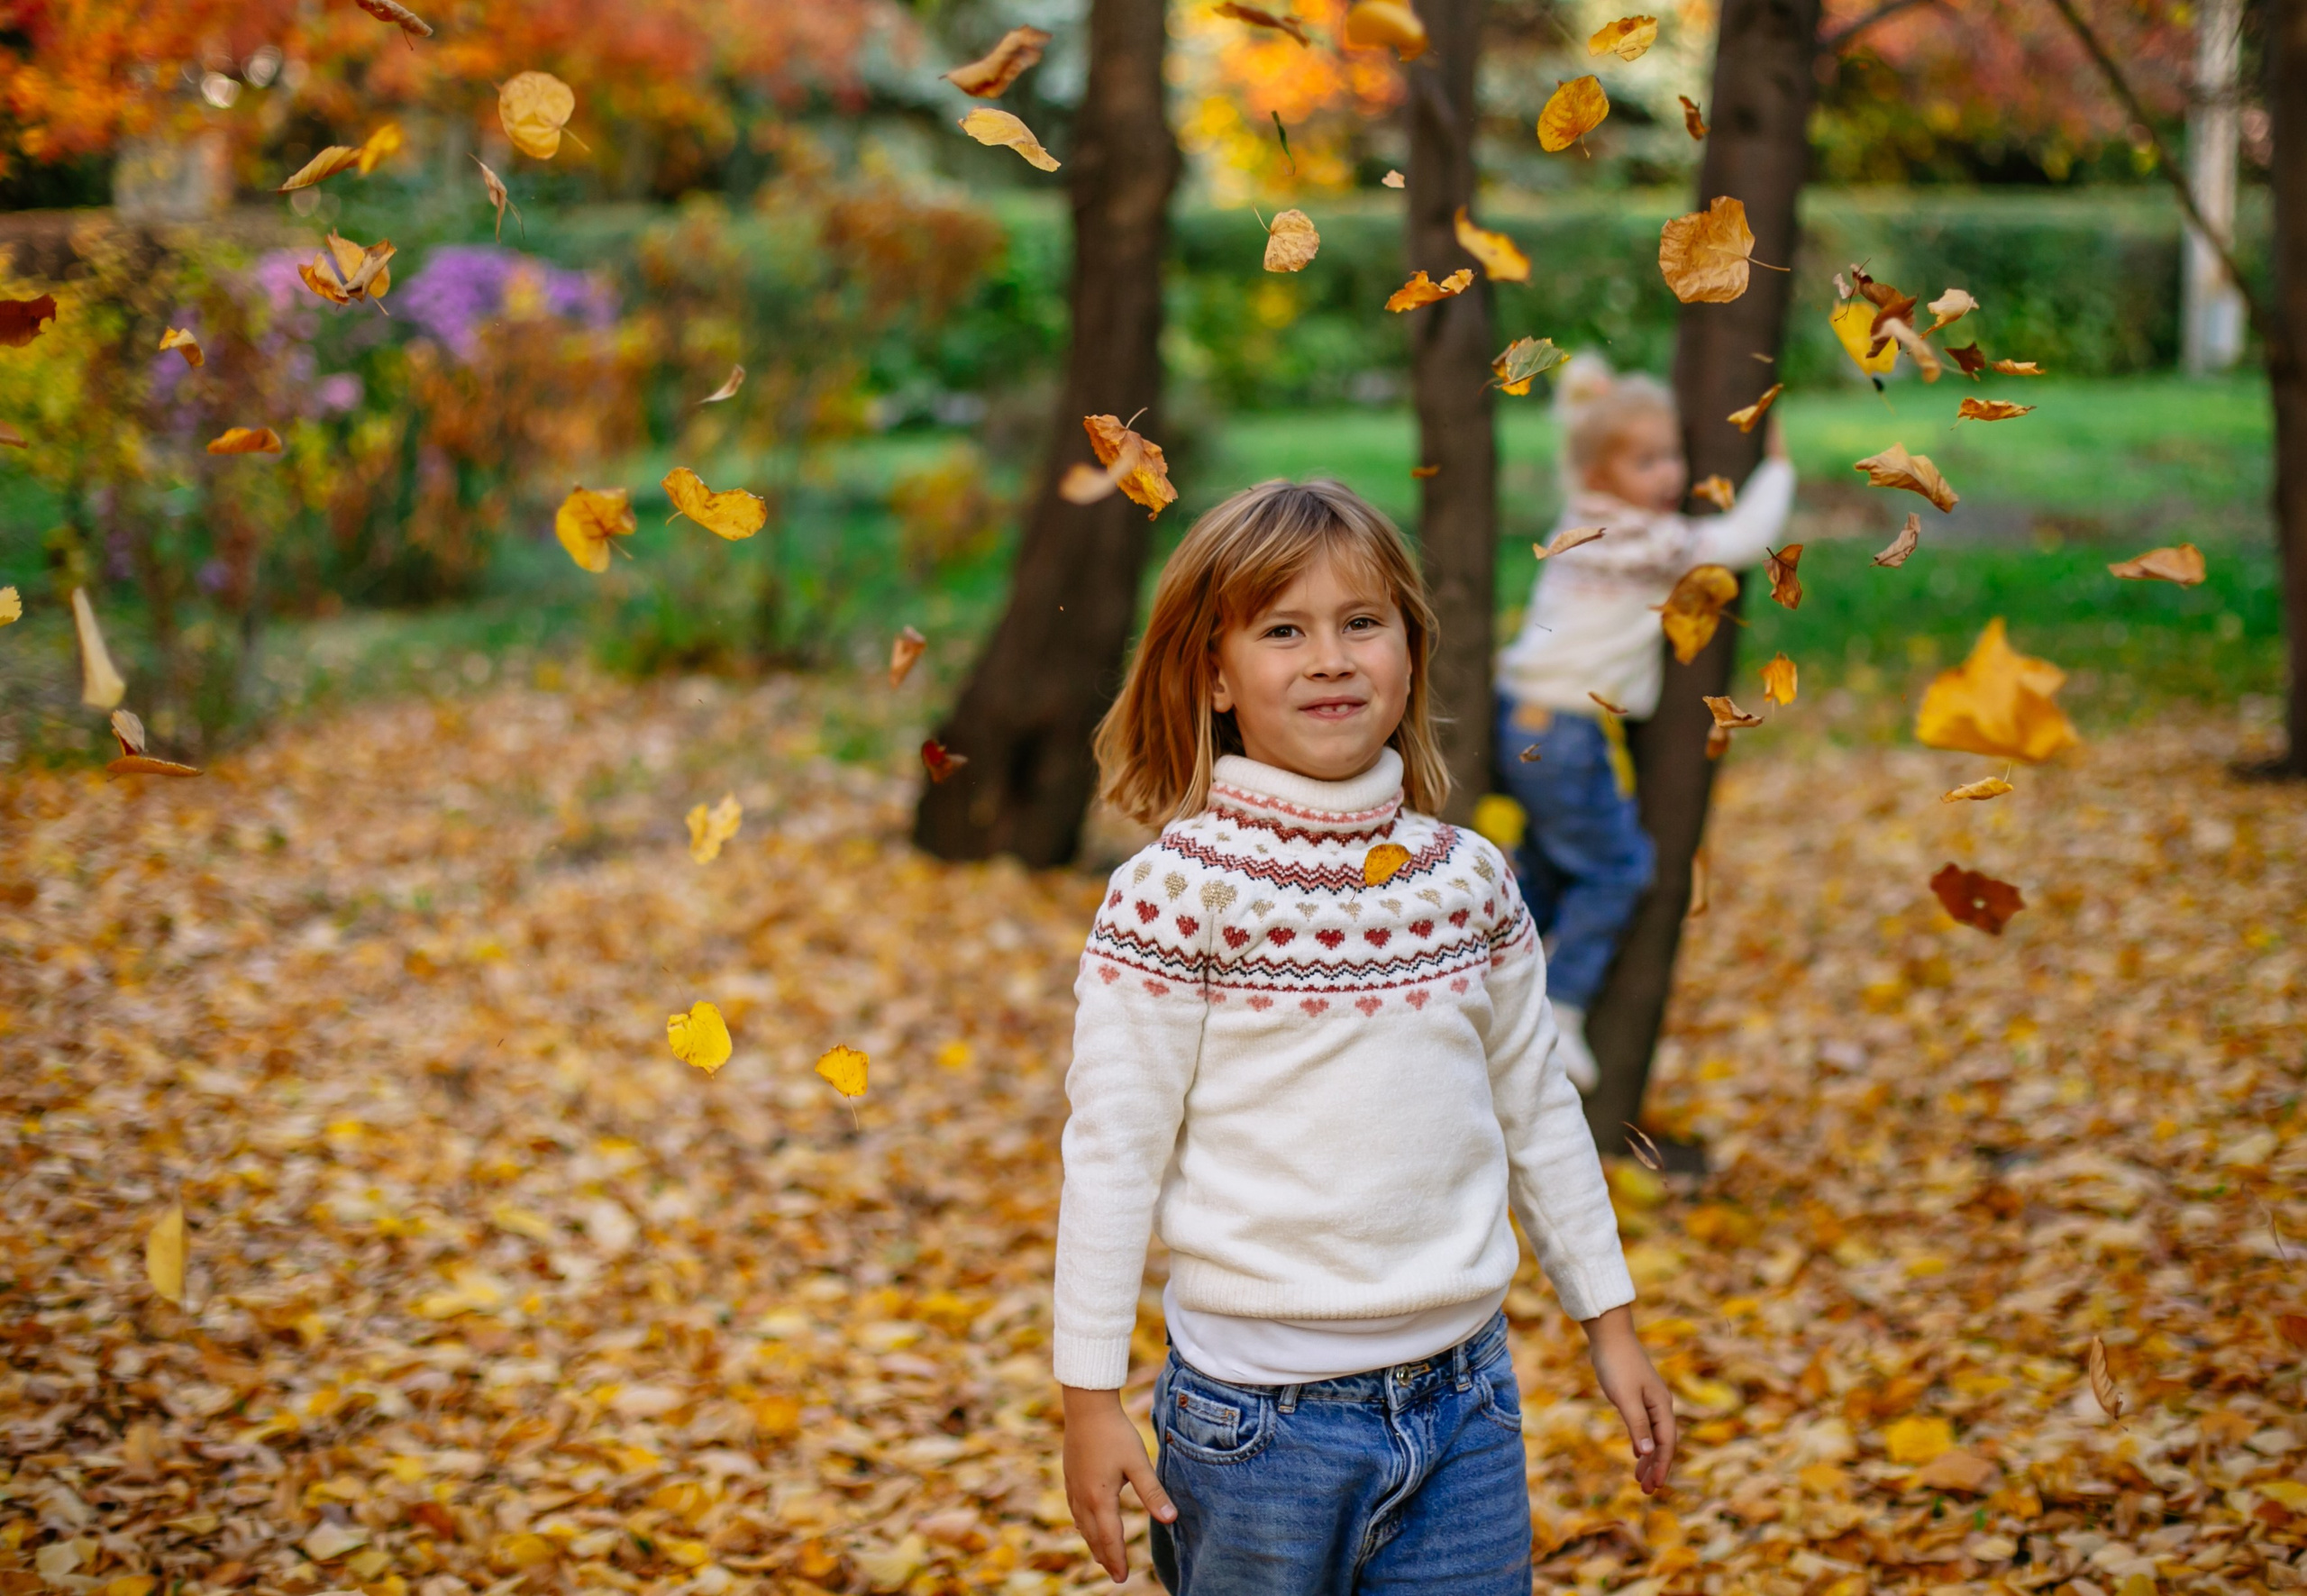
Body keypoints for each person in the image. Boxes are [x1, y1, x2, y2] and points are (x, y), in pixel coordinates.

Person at [1057, 479, 1677, 1594]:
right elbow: (1112, 1157)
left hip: (1467, 1405)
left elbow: (1537, 1110)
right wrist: (1088, 1398)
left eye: (1361, 624)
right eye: (1283, 630)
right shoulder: (1175, 895)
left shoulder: (1468, 878)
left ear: (1408, 649)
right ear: (1213, 673)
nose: (1330, 658)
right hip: (1256, 1432)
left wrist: (1610, 1320)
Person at [1491, 356, 1794, 1092]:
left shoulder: (1580, 519)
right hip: (1563, 731)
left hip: (1518, 716)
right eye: (1646, 461)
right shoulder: (1648, 542)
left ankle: (1498, 984)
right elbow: (1740, 539)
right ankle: (1560, 1009)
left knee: (1553, 864)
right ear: (1600, 474)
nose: (1668, 477)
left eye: (1671, 457)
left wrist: (1583, 402)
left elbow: (1578, 444)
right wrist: (1778, 466)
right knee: (1620, 868)